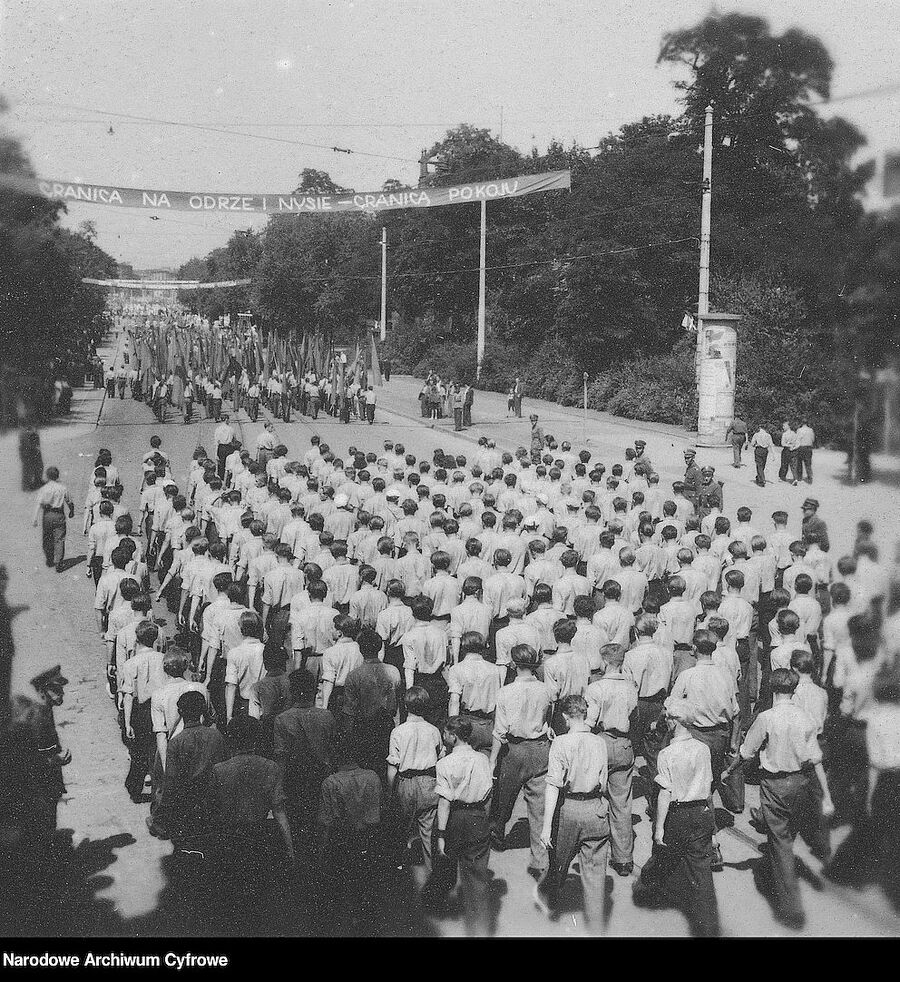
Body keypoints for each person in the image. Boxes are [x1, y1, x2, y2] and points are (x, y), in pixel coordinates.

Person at [723, 668, 834, 929]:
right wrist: (825, 795)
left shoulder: (766, 718)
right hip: (801, 783)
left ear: (772, 689)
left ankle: (790, 906)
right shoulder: (806, 718)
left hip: (774, 786)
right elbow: (815, 759)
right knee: (787, 837)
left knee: (780, 842)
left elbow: (747, 752)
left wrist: (729, 770)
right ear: (794, 690)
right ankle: (781, 878)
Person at [642, 699, 720, 937]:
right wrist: (713, 830)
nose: (665, 720)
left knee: (665, 855)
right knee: (700, 867)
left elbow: (665, 793)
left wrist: (659, 829)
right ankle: (709, 926)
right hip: (701, 813)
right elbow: (707, 789)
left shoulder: (667, 754)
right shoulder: (702, 749)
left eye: (667, 717)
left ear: (675, 722)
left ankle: (658, 895)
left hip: (678, 813)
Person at [534, 695, 611, 933]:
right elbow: (604, 783)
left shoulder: (561, 744)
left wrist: (546, 827)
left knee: (558, 861)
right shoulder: (600, 742)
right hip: (596, 809)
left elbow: (553, 786)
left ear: (566, 717)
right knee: (595, 873)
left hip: (569, 808)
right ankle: (596, 926)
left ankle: (551, 908)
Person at [427, 716, 495, 936]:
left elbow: (444, 802)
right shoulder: (482, 760)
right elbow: (487, 793)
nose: (444, 736)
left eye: (445, 733)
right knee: (477, 877)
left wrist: (441, 835)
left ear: (453, 737)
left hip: (454, 818)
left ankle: (439, 917)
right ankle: (480, 928)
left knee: (445, 864)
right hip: (477, 817)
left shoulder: (445, 763)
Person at [489, 643, 551, 876]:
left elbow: (500, 730)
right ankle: (539, 858)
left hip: (513, 750)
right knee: (539, 808)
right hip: (539, 749)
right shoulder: (545, 690)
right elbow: (548, 719)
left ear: (514, 664)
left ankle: (498, 833)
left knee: (504, 798)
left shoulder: (505, 692)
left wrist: (493, 759)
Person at [386, 686, 443, 873]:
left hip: (406, 783)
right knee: (428, 832)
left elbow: (392, 766)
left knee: (401, 829)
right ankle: (431, 872)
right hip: (428, 782)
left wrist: (389, 791)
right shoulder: (434, 731)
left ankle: (399, 872)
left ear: (405, 706)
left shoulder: (398, 732)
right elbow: (440, 759)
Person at [32, 466, 75, 571]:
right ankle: (58, 562)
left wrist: (35, 518)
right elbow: (69, 501)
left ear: (47, 476)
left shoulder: (44, 489)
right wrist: (71, 511)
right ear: (57, 476)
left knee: (47, 537)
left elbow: (38, 504)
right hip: (59, 514)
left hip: (47, 515)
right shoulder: (62, 488)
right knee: (59, 539)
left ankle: (49, 558)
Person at [795, 419, 815, 484]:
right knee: (808, 463)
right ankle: (810, 478)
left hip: (801, 447)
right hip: (809, 448)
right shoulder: (811, 430)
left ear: (802, 423)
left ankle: (799, 477)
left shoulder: (799, 430)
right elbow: (813, 439)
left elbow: (797, 439)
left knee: (799, 463)